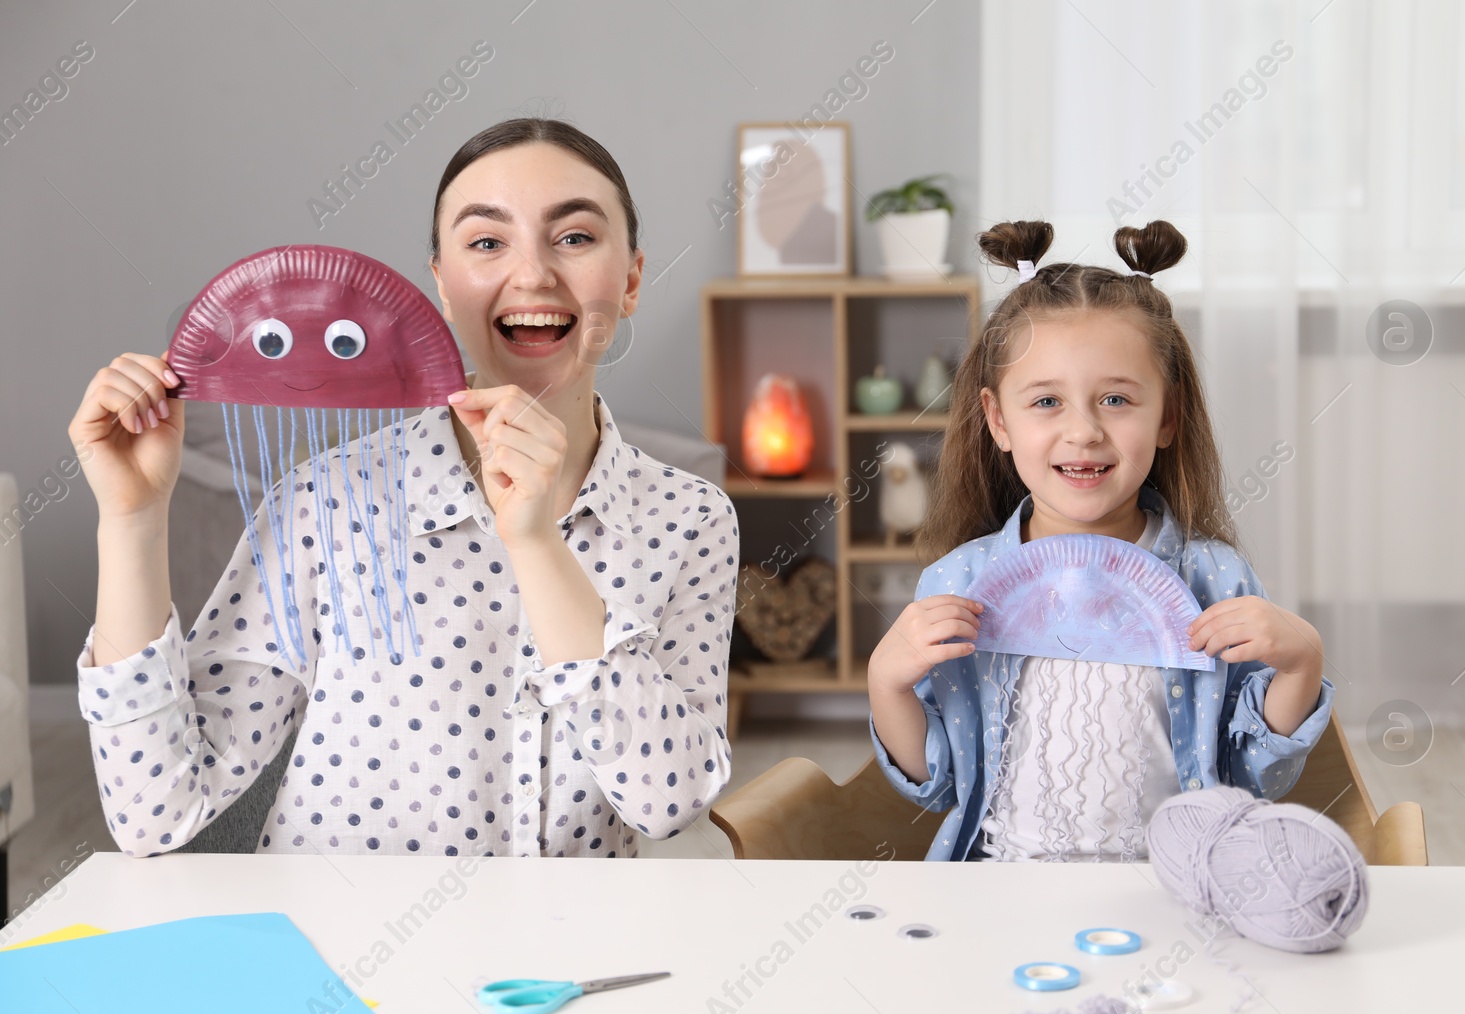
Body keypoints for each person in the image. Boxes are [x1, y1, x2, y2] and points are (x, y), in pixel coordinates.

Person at [67, 119, 737, 858]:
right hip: (343, 959)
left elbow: (668, 800)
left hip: (559, 960)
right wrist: (130, 519)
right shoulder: (325, 504)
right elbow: (155, 811)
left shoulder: (691, 518)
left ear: (633, 279)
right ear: (442, 287)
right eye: (487, 242)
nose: (535, 274)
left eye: (574, 237)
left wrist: (538, 540)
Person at [868, 219, 1333, 863]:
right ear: (998, 419)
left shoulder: (1216, 580)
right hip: (1000, 891)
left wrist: (1302, 660)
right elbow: (939, 785)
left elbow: (1253, 776)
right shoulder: (957, 582)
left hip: (1174, 890)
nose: (1083, 431)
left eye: (1116, 398)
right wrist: (885, 682)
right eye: (1047, 402)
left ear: (1167, 416)